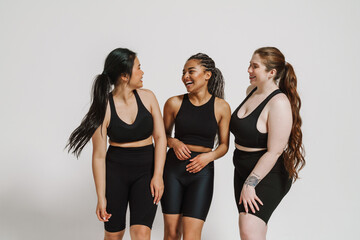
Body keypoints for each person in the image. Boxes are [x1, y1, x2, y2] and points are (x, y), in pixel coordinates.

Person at [66, 48, 167, 240]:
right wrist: (101, 197)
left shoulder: (148, 97)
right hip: (116, 174)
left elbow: (161, 138)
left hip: (146, 172)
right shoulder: (103, 107)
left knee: (141, 233)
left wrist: (158, 175)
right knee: (114, 235)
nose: (142, 72)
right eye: (139, 68)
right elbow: (99, 155)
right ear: (124, 76)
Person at [229, 47, 305, 239]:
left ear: (271, 72)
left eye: (255, 66)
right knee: (252, 231)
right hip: (242, 170)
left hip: (268, 173)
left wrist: (250, 183)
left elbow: (275, 151)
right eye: (249, 65)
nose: (249, 70)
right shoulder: (251, 91)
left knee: (248, 228)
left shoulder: (279, 102)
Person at [161, 53, 231, 240]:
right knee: (172, 234)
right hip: (173, 171)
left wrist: (208, 157)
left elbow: (224, 145)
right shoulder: (173, 103)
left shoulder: (221, 107)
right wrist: (174, 142)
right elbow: (162, 137)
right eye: (183, 72)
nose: (185, 76)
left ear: (207, 75)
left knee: (192, 236)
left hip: (202, 173)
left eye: (191, 71)